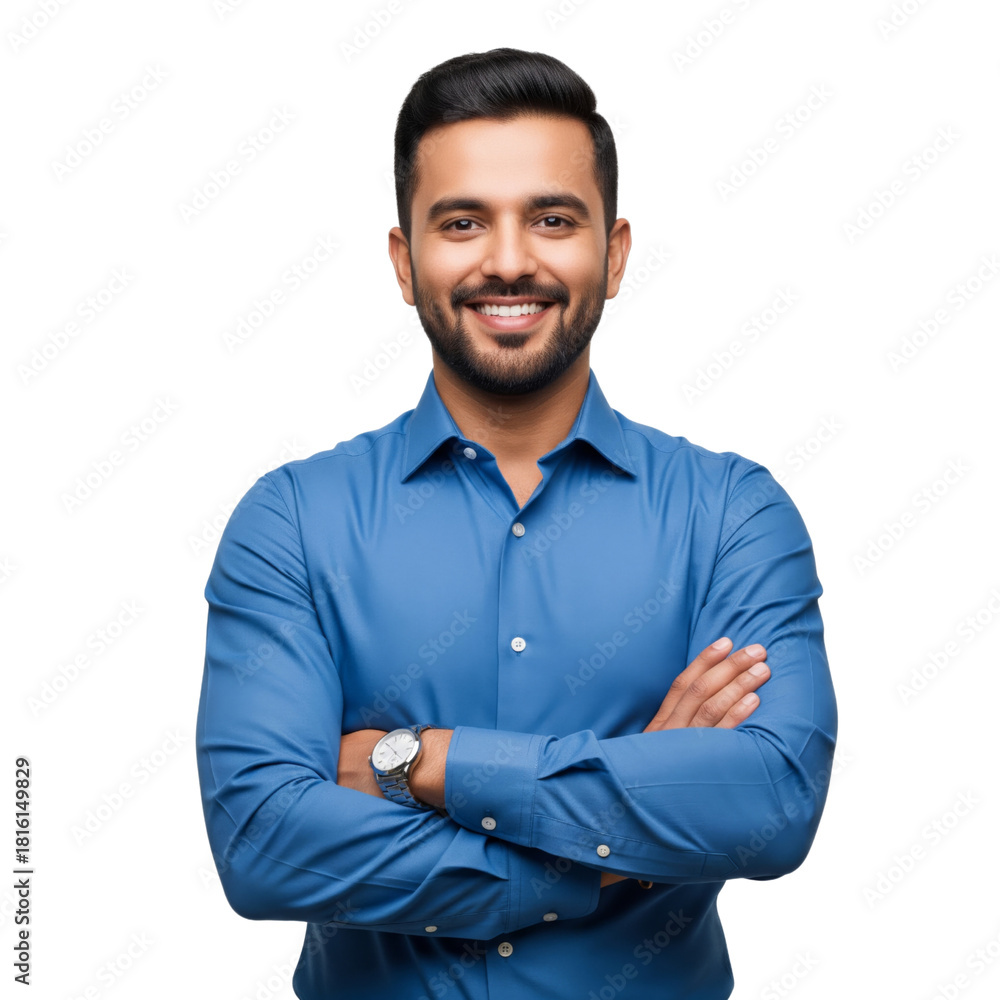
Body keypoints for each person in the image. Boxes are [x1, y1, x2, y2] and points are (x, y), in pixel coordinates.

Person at [195, 47, 837, 1000]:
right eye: (462, 223)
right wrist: (622, 825)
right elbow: (262, 845)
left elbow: (770, 805)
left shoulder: (732, 515)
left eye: (551, 218)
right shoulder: (291, 522)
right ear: (404, 261)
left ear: (612, 254)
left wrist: (413, 762)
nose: (507, 259)